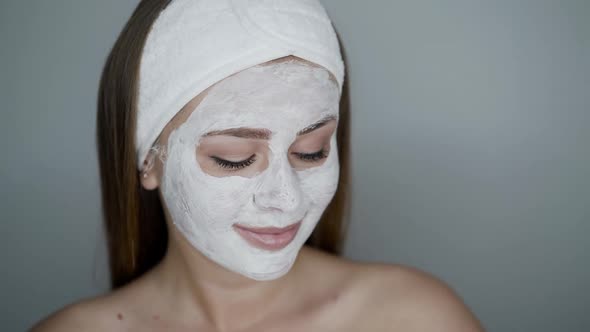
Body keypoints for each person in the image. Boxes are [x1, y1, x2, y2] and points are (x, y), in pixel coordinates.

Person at [32, 0, 484, 331]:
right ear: (148, 161)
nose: (285, 198)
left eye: (312, 150)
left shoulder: (416, 318)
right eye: (234, 159)